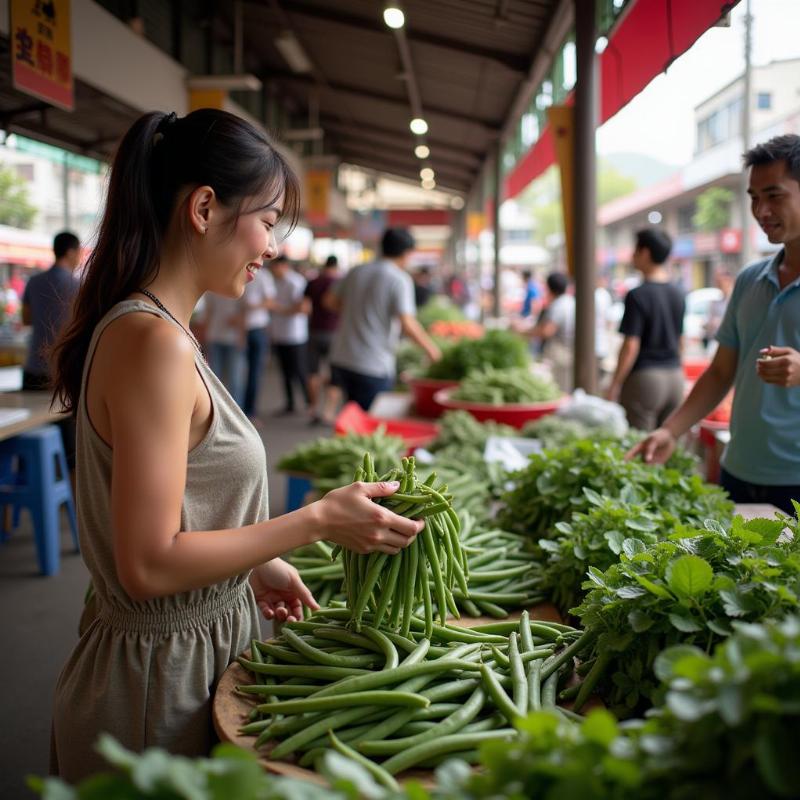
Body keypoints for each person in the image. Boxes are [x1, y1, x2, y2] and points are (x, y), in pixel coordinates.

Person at [47, 109, 423, 782]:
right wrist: (314, 522)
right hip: (157, 690)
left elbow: (177, 515)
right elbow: (149, 566)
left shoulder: (162, 333)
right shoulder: (153, 343)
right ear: (203, 208)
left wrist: (251, 567)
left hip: (185, 663)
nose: (272, 247)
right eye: (269, 221)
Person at [630, 134, 800, 513]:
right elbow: (722, 370)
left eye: (774, 195)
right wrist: (670, 430)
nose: (761, 210)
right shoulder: (749, 280)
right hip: (737, 469)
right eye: (754, 198)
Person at [327, 227, 441, 410]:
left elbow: (330, 301)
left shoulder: (357, 271)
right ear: (407, 252)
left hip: (343, 357)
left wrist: (356, 310)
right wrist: (433, 351)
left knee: (352, 417)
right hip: (373, 363)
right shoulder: (399, 278)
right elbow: (407, 323)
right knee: (371, 423)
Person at [606, 228, 685, 431]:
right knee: (666, 447)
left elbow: (631, 345)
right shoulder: (678, 293)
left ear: (645, 253)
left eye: (635, 250)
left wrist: (615, 384)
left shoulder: (637, 295)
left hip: (646, 380)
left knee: (641, 449)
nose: (632, 256)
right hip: (675, 377)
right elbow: (681, 340)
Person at [21, 230, 81, 467]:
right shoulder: (79, 286)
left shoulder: (34, 282)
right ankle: (67, 497)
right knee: (69, 451)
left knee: (31, 437)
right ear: (70, 252)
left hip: (33, 370)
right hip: (63, 373)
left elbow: (26, 319)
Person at [268, 255, 311, 415]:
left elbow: (303, 307)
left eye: (275, 267)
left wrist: (280, 309)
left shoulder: (296, 282)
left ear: (284, 266)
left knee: (299, 370)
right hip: (280, 334)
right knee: (285, 372)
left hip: (295, 335)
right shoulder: (276, 282)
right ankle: (290, 403)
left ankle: (308, 402)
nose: (273, 271)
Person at [304, 254, 341, 425]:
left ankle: (313, 408)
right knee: (335, 375)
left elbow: (305, 307)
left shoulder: (313, 282)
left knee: (313, 372)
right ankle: (328, 413)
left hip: (314, 332)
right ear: (336, 266)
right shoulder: (339, 283)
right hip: (334, 333)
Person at [524, 272, 575, 393]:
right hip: (569, 351)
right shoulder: (570, 301)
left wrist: (524, 332)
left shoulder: (558, 305)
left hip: (561, 354)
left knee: (560, 389)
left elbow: (547, 331)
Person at [241, 263, 275, 420]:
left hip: (256, 329)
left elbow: (270, 302)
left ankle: (249, 411)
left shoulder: (263, 276)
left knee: (253, 373)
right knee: (238, 373)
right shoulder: (241, 271)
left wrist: (252, 307)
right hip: (238, 329)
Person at [200, 292, 245, 405]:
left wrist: (241, 335)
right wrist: (205, 334)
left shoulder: (238, 289)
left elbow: (243, 312)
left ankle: (236, 412)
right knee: (214, 377)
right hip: (215, 337)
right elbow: (208, 312)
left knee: (235, 379)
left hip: (233, 339)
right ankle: (216, 410)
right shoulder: (211, 292)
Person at [703, 267, 735, 349]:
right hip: (716, 341)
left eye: (720, 281)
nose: (718, 284)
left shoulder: (736, 301)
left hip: (731, 343)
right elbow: (707, 324)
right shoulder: (715, 303)